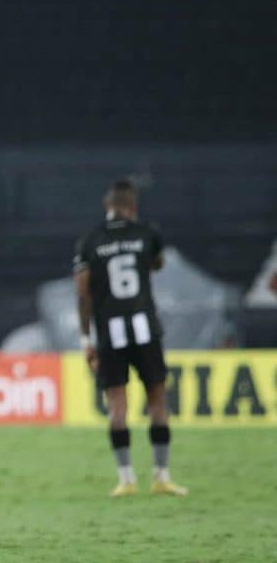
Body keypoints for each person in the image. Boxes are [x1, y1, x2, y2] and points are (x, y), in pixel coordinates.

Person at [73, 179, 187, 498]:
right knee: (158, 402)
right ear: (132, 207)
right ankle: (161, 477)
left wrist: (86, 340)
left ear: (106, 206)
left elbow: (82, 296)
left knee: (117, 409)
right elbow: (157, 263)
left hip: (110, 334)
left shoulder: (89, 241)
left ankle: (126, 480)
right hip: (145, 330)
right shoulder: (146, 234)